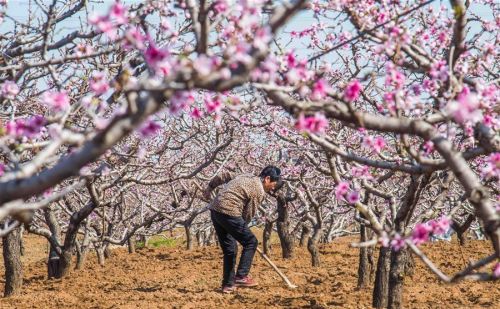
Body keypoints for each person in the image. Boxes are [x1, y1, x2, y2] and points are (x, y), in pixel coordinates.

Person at [204, 165, 282, 294]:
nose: (273, 187)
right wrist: (238, 229)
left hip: (215, 210)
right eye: (273, 184)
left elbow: (224, 175)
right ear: (267, 179)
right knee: (251, 242)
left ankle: (228, 285)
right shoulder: (258, 190)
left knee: (230, 250)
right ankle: (241, 276)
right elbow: (247, 215)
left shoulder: (246, 175)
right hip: (230, 211)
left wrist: (210, 187)